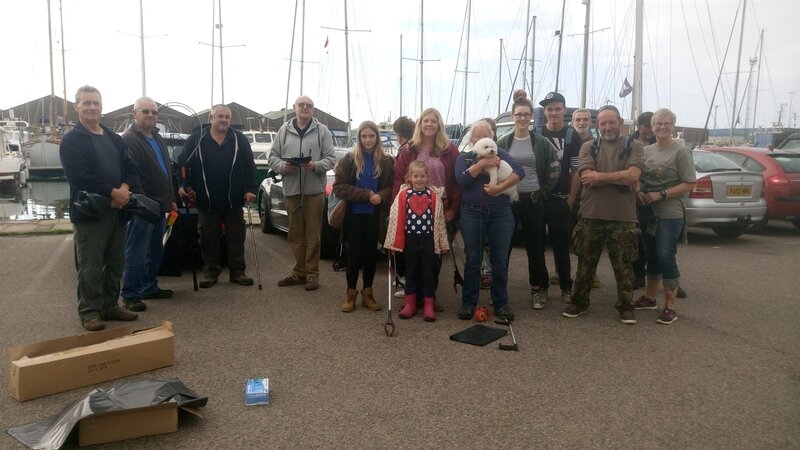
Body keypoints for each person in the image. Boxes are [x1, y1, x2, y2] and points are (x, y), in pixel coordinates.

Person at [60, 85, 139, 331]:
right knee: (90, 265)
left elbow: (130, 167)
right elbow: (79, 176)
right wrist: (112, 192)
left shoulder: (113, 138)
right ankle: (90, 311)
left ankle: (110, 305)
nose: (92, 107)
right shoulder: (72, 141)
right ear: (77, 107)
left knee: (116, 262)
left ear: (101, 106)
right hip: (91, 213)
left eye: (96, 103)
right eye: (87, 103)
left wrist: (124, 188)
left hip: (118, 210)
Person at [562, 105, 644, 324]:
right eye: (603, 123)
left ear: (620, 122)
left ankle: (626, 305)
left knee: (624, 265)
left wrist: (602, 177)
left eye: (612, 122)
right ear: (598, 125)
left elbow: (634, 175)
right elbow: (587, 177)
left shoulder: (634, 146)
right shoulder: (588, 146)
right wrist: (620, 177)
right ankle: (579, 302)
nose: (607, 127)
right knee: (585, 262)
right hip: (591, 214)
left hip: (623, 217)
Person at [178, 104, 258, 289]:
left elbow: (249, 166)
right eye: (220, 116)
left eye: (227, 117)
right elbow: (183, 164)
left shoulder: (239, 139)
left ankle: (238, 272)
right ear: (211, 118)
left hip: (234, 199)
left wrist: (251, 189)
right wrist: (184, 185)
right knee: (208, 238)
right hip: (207, 200)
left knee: (236, 237)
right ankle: (210, 273)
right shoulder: (197, 139)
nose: (224, 120)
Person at [392, 108, 461, 310]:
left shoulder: (450, 149)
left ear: (439, 125)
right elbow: (398, 179)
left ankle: (429, 295)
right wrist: (398, 208)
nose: (429, 124)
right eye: (425, 121)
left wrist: (453, 209)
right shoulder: (409, 149)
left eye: (433, 121)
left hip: (441, 210)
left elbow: (457, 183)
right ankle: (414, 296)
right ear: (420, 124)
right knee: (412, 256)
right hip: (412, 210)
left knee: (435, 257)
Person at [456, 120, 524, 321]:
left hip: (500, 212)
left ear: (493, 137)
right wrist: (482, 164)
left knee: (500, 261)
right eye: (477, 136)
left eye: (486, 135)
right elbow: (461, 180)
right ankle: (468, 303)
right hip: (472, 212)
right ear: (472, 140)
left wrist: (500, 189)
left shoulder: (500, 154)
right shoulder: (465, 157)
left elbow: (520, 172)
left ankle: (501, 304)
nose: (482, 139)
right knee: (473, 260)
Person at [497, 91, 560, 309]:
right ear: (513, 117)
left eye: (526, 114)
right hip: (509, 202)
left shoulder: (541, 142)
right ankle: (499, 288)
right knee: (503, 246)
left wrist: (542, 192)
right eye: (518, 114)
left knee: (535, 247)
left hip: (534, 200)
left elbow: (554, 169)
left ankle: (538, 288)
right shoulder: (503, 142)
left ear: (531, 116)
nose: (522, 118)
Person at [634, 108, 696, 324]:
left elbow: (689, 183)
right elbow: (640, 176)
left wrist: (660, 194)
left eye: (666, 123)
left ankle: (670, 305)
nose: (662, 127)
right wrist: (640, 191)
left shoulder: (681, 151)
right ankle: (650, 298)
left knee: (665, 255)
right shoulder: (646, 150)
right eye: (658, 123)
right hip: (648, 210)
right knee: (651, 254)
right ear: (651, 127)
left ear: (673, 126)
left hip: (670, 211)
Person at [268, 96, 337, 291]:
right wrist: (283, 166)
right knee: (295, 234)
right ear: (294, 108)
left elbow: (331, 159)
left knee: (313, 234)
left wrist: (315, 165)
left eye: (309, 106)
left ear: (313, 110)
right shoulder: (284, 130)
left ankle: (312, 274)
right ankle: (298, 272)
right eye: (301, 105)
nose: (305, 108)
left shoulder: (322, 131)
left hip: (314, 191)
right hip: (291, 190)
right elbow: (272, 156)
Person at [120, 97, 177, 312]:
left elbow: (167, 171)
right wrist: (144, 201)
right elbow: (131, 173)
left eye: (154, 112)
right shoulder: (128, 139)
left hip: (161, 205)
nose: (151, 116)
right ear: (135, 114)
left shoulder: (157, 137)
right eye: (146, 112)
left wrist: (171, 199)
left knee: (155, 250)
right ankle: (130, 294)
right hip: (142, 207)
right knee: (136, 251)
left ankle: (149, 286)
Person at [333, 121, 394, 312]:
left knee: (370, 256)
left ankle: (368, 294)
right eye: (364, 136)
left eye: (371, 136)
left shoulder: (386, 161)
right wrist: (366, 194)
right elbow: (338, 187)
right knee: (354, 256)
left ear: (377, 137)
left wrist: (381, 196)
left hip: (374, 216)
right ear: (359, 138)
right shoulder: (349, 160)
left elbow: (390, 187)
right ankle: (351, 294)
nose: (368, 140)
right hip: (354, 215)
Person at [384, 160, 449, 321]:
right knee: (411, 272)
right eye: (416, 176)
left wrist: (442, 243)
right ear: (410, 177)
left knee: (428, 273)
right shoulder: (404, 195)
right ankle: (410, 304)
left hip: (428, 240)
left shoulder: (433, 196)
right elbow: (395, 217)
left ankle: (428, 305)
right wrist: (392, 241)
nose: (419, 179)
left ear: (427, 178)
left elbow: (439, 221)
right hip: (410, 239)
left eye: (422, 176)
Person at [539, 91, 583, 305]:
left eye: (557, 108)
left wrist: (571, 199)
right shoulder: (537, 133)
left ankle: (566, 286)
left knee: (561, 245)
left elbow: (576, 170)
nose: (553, 113)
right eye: (549, 109)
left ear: (564, 110)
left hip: (561, 198)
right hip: (539, 199)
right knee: (536, 246)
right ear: (544, 112)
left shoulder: (572, 135)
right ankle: (541, 287)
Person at [630, 111, 657, 289]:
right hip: (635, 198)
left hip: (657, 197)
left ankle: (666, 277)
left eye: (651, 128)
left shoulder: (660, 142)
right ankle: (638, 275)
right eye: (645, 128)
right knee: (638, 241)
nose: (649, 132)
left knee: (660, 242)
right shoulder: (629, 142)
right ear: (639, 127)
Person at [390, 116, 415, 298]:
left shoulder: (405, 149)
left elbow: (399, 176)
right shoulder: (413, 147)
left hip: (404, 196)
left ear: (399, 134)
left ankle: (404, 279)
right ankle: (404, 278)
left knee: (399, 242)